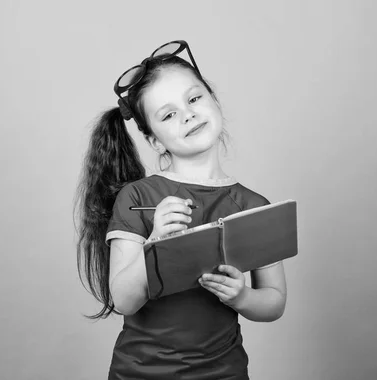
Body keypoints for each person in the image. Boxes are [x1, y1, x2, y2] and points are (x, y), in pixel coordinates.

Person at [75, 40, 287, 380]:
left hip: (225, 372)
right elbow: (125, 301)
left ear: (214, 100)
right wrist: (156, 241)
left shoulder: (253, 206)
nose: (187, 114)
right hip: (140, 373)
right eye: (169, 114)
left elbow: (274, 301)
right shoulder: (138, 196)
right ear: (155, 140)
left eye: (194, 98)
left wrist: (242, 296)